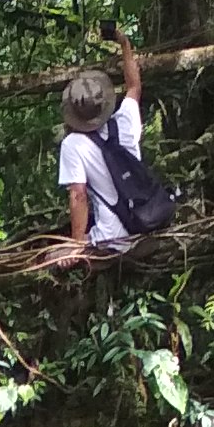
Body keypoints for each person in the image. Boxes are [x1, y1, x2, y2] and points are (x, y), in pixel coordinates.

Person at [52, 28, 149, 260]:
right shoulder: (124, 120)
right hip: (144, 222)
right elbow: (134, 86)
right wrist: (124, 44)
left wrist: (77, 245)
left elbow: (78, 196)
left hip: (112, 238)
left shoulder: (73, 145)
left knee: (48, 256)